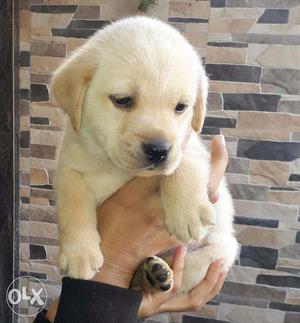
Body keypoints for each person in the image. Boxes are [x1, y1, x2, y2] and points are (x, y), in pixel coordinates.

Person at [34, 135, 229, 323]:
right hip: (115, 287)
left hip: (191, 254)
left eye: (179, 108)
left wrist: (121, 301)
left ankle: (139, 282)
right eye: (124, 101)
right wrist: (112, 272)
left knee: (220, 251)